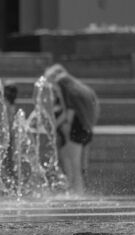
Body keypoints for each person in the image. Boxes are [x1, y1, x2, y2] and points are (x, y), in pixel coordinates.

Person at [44, 64, 100, 194]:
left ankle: (77, 195)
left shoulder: (62, 85)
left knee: (74, 167)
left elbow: (67, 114)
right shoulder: (82, 88)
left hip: (75, 129)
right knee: (78, 166)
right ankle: (77, 192)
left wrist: (52, 127)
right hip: (86, 129)